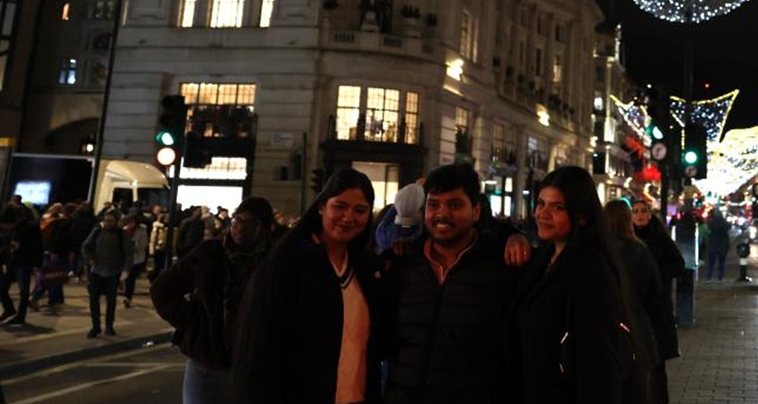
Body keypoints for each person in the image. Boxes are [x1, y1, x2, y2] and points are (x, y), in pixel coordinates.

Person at [381, 164, 529, 404]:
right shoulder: (402, 264)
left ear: (476, 211)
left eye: (455, 204)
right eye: (434, 204)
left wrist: (513, 235)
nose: (442, 213)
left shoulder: (502, 269)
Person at [233, 169, 382, 404]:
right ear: (322, 206)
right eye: (340, 206)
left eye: (360, 210)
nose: (349, 217)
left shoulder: (365, 270)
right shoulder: (286, 264)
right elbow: (258, 349)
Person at [511, 166, 649, 404]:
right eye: (541, 203)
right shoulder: (544, 259)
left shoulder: (590, 271)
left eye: (557, 207)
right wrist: (511, 237)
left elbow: (598, 363)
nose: (543, 214)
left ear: (581, 216)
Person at [152, 197, 276, 404]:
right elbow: (162, 289)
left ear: (263, 228)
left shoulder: (273, 261)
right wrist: (195, 322)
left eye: (249, 222)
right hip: (209, 362)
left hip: (253, 365)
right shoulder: (211, 253)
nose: (239, 228)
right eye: (237, 220)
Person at [603, 201, 662, 403]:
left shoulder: (595, 250)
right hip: (635, 328)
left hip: (602, 329)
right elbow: (655, 292)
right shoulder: (639, 251)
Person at [631, 200, 683, 403]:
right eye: (635, 212)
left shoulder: (660, 239)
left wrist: (657, 277)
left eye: (643, 211)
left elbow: (678, 265)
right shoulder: (628, 240)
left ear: (650, 215)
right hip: (638, 308)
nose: (640, 215)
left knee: (657, 363)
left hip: (658, 309)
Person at [81, 209, 133, 337]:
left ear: (116, 221)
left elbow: (128, 254)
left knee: (111, 301)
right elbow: (85, 246)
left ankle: (109, 326)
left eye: (110, 221)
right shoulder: (97, 231)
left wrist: (126, 271)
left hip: (113, 272)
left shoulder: (122, 235)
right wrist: (89, 258)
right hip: (96, 271)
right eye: (105, 220)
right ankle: (96, 326)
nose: (107, 223)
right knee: (94, 300)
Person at [0, 206, 41, 326]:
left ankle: (20, 316)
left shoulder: (30, 228)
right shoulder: (12, 230)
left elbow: (37, 247)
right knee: (2, 287)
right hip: (11, 262)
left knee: (23, 291)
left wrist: (37, 264)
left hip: (24, 262)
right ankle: (9, 309)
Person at [122, 214, 149, 307]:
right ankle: (125, 293)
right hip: (125, 258)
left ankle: (127, 297)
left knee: (130, 279)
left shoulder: (142, 230)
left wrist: (134, 246)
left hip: (136, 258)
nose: (130, 224)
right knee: (124, 277)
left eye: (132, 222)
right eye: (129, 222)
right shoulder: (124, 230)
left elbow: (143, 244)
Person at [704, 210, 731, 283]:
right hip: (722, 245)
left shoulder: (711, 223)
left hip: (712, 245)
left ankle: (709, 278)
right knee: (721, 263)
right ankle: (720, 278)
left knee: (710, 263)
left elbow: (708, 230)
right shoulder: (724, 223)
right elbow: (729, 226)